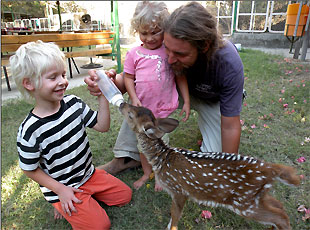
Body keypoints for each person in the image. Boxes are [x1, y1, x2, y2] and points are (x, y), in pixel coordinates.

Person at [85, 2, 244, 174]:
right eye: (167, 49)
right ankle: (126, 157)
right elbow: (131, 79)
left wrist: (229, 171)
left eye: (180, 54)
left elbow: (230, 125)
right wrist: (106, 82)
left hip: (213, 100)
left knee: (218, 160)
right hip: (173, 90)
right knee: (140, 99)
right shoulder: (160, 47)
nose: (169, 60)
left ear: (204, 46)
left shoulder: (228, 62)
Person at [10, 40, 132, 230]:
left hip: (88, 175)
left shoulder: (74, 103)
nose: (63, 81)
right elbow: (29, 169)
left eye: (63, 74)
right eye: (53, 77)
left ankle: (81, 199)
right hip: (63, 187)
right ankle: (59, 202)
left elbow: (102, 126)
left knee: (125, 195)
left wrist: (102, 95)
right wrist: (60, 190)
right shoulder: (30, 130)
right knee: (101, 225)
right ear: (29, 83)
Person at [99, 1, 190, 191]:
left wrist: (187, 101)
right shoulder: (134, 53)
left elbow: (180, 76)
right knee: (143, 146)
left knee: (160, 146)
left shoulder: (168, 52)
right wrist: (133, 97)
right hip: (143, 113)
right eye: (144, 33)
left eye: (155, 32)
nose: (149, 38)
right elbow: (129, 77)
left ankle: (159, 175)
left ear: (165, 29)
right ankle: (146, 172)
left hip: (163, 110)